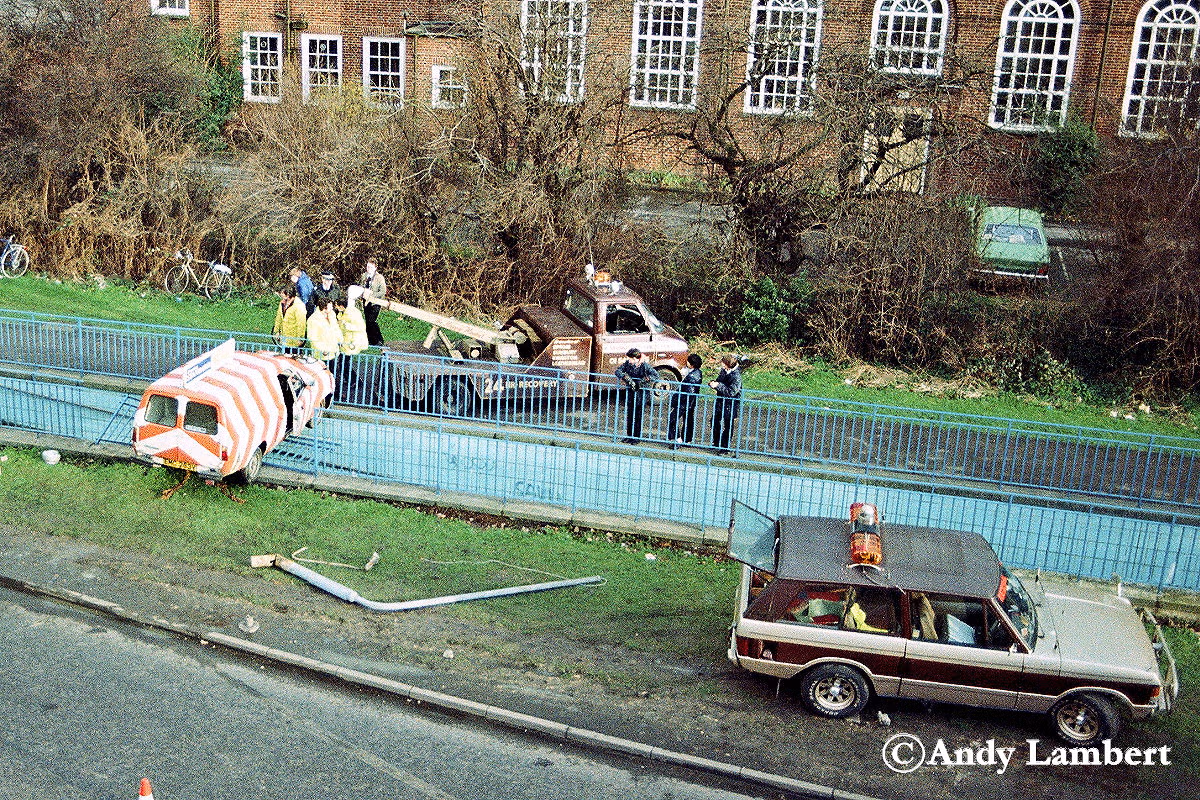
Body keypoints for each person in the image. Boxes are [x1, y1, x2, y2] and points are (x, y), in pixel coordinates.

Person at [614, 347, 658, 444]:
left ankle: (636, 437)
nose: (628, 360)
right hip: (631, 393)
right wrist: (626, 378)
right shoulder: (627, 364)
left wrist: (642, 382)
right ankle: (629, 436)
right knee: (630, 416)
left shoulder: (645, 366)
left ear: (635, 358)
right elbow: (618, 371)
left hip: (641, 394)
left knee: (638, 416)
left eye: (630, 358)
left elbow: (655, 375)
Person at [336, 286, 370, 402]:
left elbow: (360, 327)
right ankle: (350, 379)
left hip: (352, 342)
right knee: (344, 362)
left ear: (341, 306)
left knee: (344, 363)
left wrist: (346, 325)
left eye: (337, 305)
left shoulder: (352, 313)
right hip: (346, 342)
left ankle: (354, 380)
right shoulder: (343, 313)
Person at [667, 353, 703, 448]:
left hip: (684, 401)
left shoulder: (691, 377)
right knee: (688, 420)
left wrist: (679, 401)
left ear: (691, 364)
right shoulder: (697, 373)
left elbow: (688, 391)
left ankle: (677, 440)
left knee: (673, 418)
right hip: (690, 402)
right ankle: (687, 440)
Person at [710, 353, 742, 455]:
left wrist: (718, 385)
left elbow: (732, 391)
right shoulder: (724, 371)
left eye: (723, 364)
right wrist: (714, 383)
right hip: (721, 401)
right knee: (714, 421)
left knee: (728, 425)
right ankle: (717, 442)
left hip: (730, 403)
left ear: (728, 364)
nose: (722, 365)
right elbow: (719, 380)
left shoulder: (736, 376)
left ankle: (725, 447)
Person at [307, 297, 343, 384]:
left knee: (334, 374)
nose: (332, 308)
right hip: (321, 355)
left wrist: (340, 340)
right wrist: (322, 349)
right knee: (322, 377)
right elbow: (312, 337)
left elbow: (336, 328)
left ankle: (336, 393)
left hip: (333, 351)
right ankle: (325, 396)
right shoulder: (313, 320)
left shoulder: (332, 315)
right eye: (330, 307)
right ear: (324, 308)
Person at [359, 258, 387, 346]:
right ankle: (371, 341)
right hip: (366, 302)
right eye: (367, 267)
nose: (368, 269)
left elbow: (383, 291)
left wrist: (371, 295)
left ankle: (379, 339)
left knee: (372, 321)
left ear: (375, 268)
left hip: (376, 303)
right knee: (367, 321)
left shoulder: (379, 278)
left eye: (371, 267)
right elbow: (361, 286)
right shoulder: (364, 276)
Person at [271, 285, 307, 355]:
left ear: (288, 295)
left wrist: (300, 338)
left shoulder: (299, 306)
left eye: (282, 294)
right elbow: (279, 318)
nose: (281, 296)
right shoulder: (282, 303)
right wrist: (276, 331)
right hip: (284, 338)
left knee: (294, 360)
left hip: (294, 340)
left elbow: (301, 323)